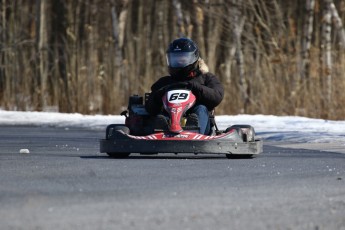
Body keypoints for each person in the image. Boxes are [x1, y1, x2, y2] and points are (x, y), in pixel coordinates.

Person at [145, 37, 224, 135]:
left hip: (199, 126)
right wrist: (159, 94)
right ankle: (162, 130)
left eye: (183, 58)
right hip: (168, 124)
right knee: (163, 113)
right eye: (176, 59)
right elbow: (149, 108)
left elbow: (217, 96)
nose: (179, 62)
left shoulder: (206, 78)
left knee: (201, 108)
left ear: (194, 58)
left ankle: (193, 130)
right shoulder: (164, 82)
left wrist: (196, 88)